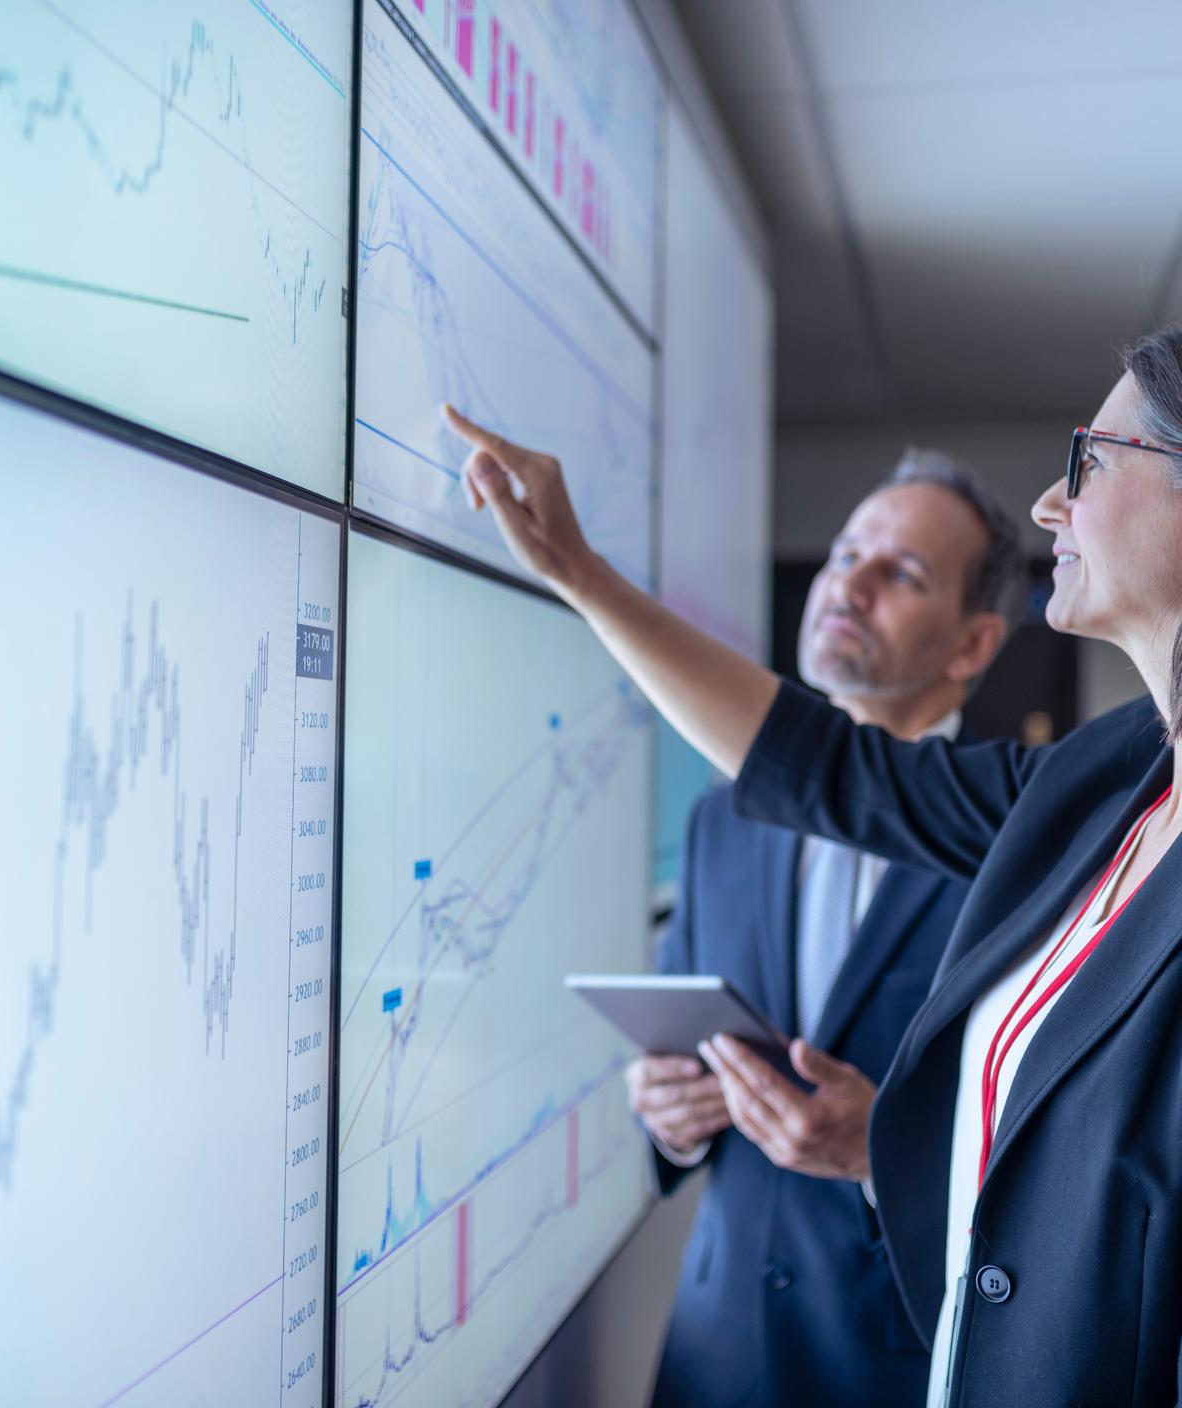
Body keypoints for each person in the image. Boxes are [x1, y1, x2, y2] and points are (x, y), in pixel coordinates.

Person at [442, 324, 1182, 1407]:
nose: (1048, 504)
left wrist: (873, 1148)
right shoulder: (1104, 779)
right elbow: (818, 766)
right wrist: (578, 574)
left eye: (1092, 458)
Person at [631, 452, 1025, 1408]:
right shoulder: (719, 821)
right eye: (847, 552)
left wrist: (879, 1147)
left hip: (896, 1367)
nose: (847, 583)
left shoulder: (1022, 848)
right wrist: (668, 1117)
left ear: (973, 645)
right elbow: (680, 1040)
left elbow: (1049, 1152)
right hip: (711, 1363)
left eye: (901, 574)